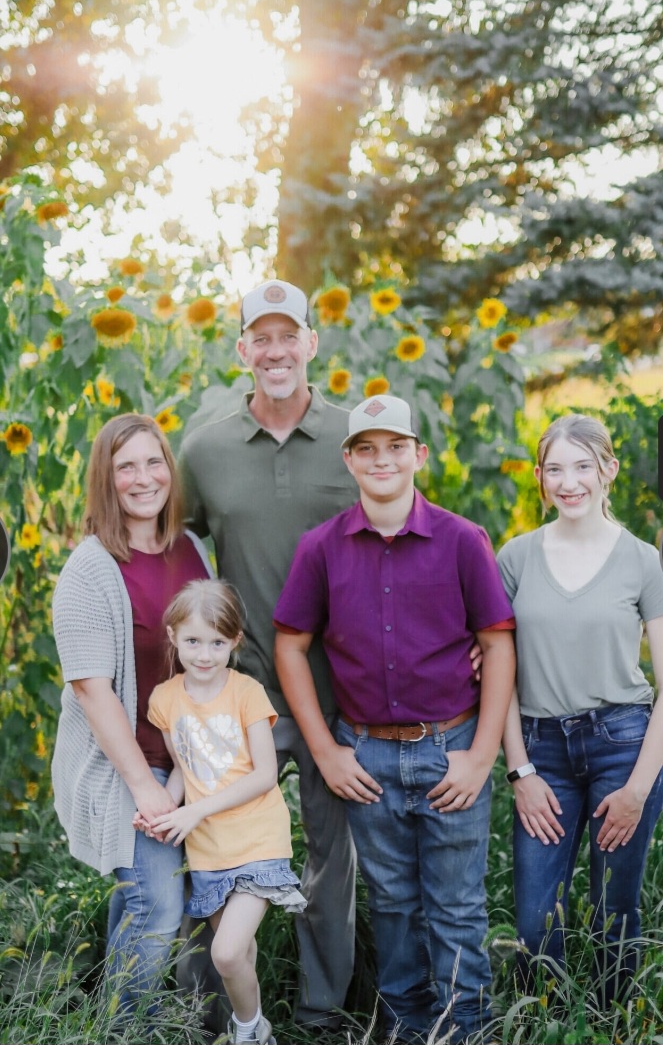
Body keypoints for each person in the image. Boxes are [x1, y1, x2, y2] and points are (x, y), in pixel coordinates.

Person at [273, 394, 516, 1045]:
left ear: (418, 454)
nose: (382, 459)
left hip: (450, 747)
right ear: (348, 458)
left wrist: (480, 751)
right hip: (366, 757)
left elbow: (495, 642)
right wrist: (324, 751)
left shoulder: (461, 540)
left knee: (456, 907)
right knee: (394, 907)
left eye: (395, 446)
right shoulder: (321, 548)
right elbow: (290, 644)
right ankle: (409, 1027)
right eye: (367, 448)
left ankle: (466, 1029)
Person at [178, 279, 360, 1029]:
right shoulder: (205, 449)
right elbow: (179, 551)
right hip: (238, 695)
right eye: (262, 337)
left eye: (290, 335)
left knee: (329, 867)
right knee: (214, 853)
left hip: (337, 694)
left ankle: (322, 1012)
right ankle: (205, 1014)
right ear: (243, 349)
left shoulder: (355, 439)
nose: (276, 350)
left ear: (311, 343)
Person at [51, 413, 213, 1016]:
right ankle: (122, 1030)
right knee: (160, 903)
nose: (144, 478)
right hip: (123, 768)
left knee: (146, 895)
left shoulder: (191, 550)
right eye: (126, 467)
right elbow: (93, 691)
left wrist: (184, 774)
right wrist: (146, 788)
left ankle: (129, 1017)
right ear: (106, 479)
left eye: (154, 462)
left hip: (185, 767)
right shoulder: (90, 569)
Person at [498, 414, 663, 1006]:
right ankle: (542, 1020)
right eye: (555, 470)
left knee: (615, 909)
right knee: (536, 924)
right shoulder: (514, 559)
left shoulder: (642, 560)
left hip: (624, 743)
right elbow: (500, 675)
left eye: (583, 467)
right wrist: (520, 773)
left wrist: (639, 789)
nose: (569, 483)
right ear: (540, 478)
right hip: (540, 749)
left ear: (608, 471)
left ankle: (618, 1023)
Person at [146, 578, 306, 1045]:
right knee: (241, 953)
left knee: (227, 952)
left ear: (235, 642)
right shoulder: (165, 700)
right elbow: (185, 769)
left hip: (257, 839)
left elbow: (264, 774)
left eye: (217, 642)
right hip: (209, 851)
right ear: (173, 636)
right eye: (193, 640)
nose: (204, 654)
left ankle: (249, 1031)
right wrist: (165, 810)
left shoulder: (246, 692)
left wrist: (197, 812)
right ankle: (258, 1024)